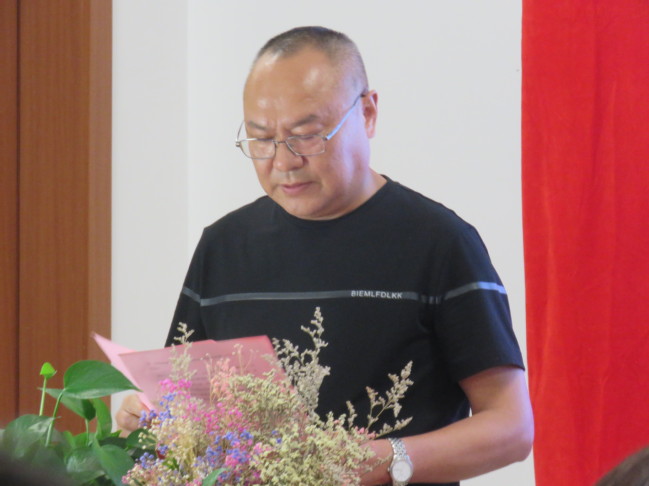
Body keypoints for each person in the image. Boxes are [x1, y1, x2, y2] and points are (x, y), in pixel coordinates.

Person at [117, 26, 533, 485]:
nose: (284, 162)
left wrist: (380, 461)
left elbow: (511, 427)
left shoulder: (440, 243)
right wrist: (152, 417)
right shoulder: (223, 245)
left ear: (367, 113)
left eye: (307, 135)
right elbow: (186, 400)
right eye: (261, 139)